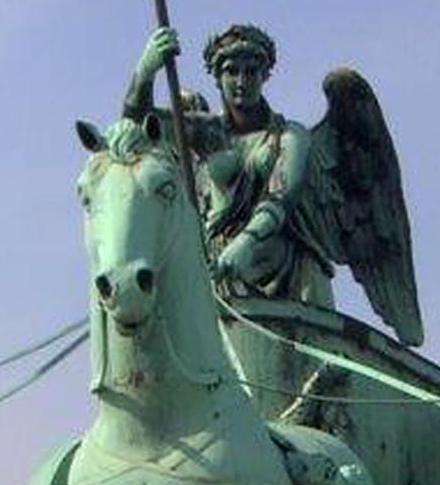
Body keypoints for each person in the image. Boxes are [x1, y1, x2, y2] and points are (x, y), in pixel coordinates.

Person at [122, 23, 335, 308]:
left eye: (251, 71)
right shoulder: (205, 132)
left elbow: (282, 196)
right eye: (231, 71)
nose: (241, 80)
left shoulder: (290, 135)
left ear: (265, 75)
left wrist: (245, 244)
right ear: (217, 77)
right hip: (218, 267)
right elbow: (136, 124)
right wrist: (146, 71)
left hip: (285, 271)